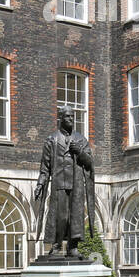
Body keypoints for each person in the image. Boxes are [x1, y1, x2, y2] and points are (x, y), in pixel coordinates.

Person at [33, 106, 96, 260]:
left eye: (72, 117)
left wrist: (79, 152)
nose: (71, 119)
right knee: (59, 216)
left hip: (76, 184)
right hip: (59, 183)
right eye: (68, 116)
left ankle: (73, 247)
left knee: (75, 216)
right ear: (60, 118)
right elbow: (45, 167)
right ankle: (56, 245)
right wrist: (40, 184)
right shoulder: (52, 140)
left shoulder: (80, 140)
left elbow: (90, 163)